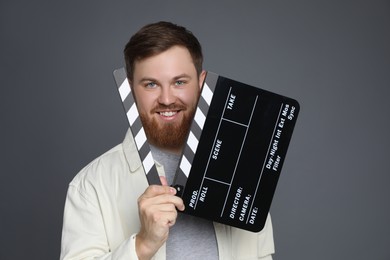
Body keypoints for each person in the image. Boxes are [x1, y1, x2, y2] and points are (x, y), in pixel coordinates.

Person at [60, 21, 275, 260]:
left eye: (179, 82)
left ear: (201, 83)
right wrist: (143, 244)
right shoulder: (90, 185)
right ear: (130, 90)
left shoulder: (243, 169)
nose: (166, 98)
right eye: (151, 84)